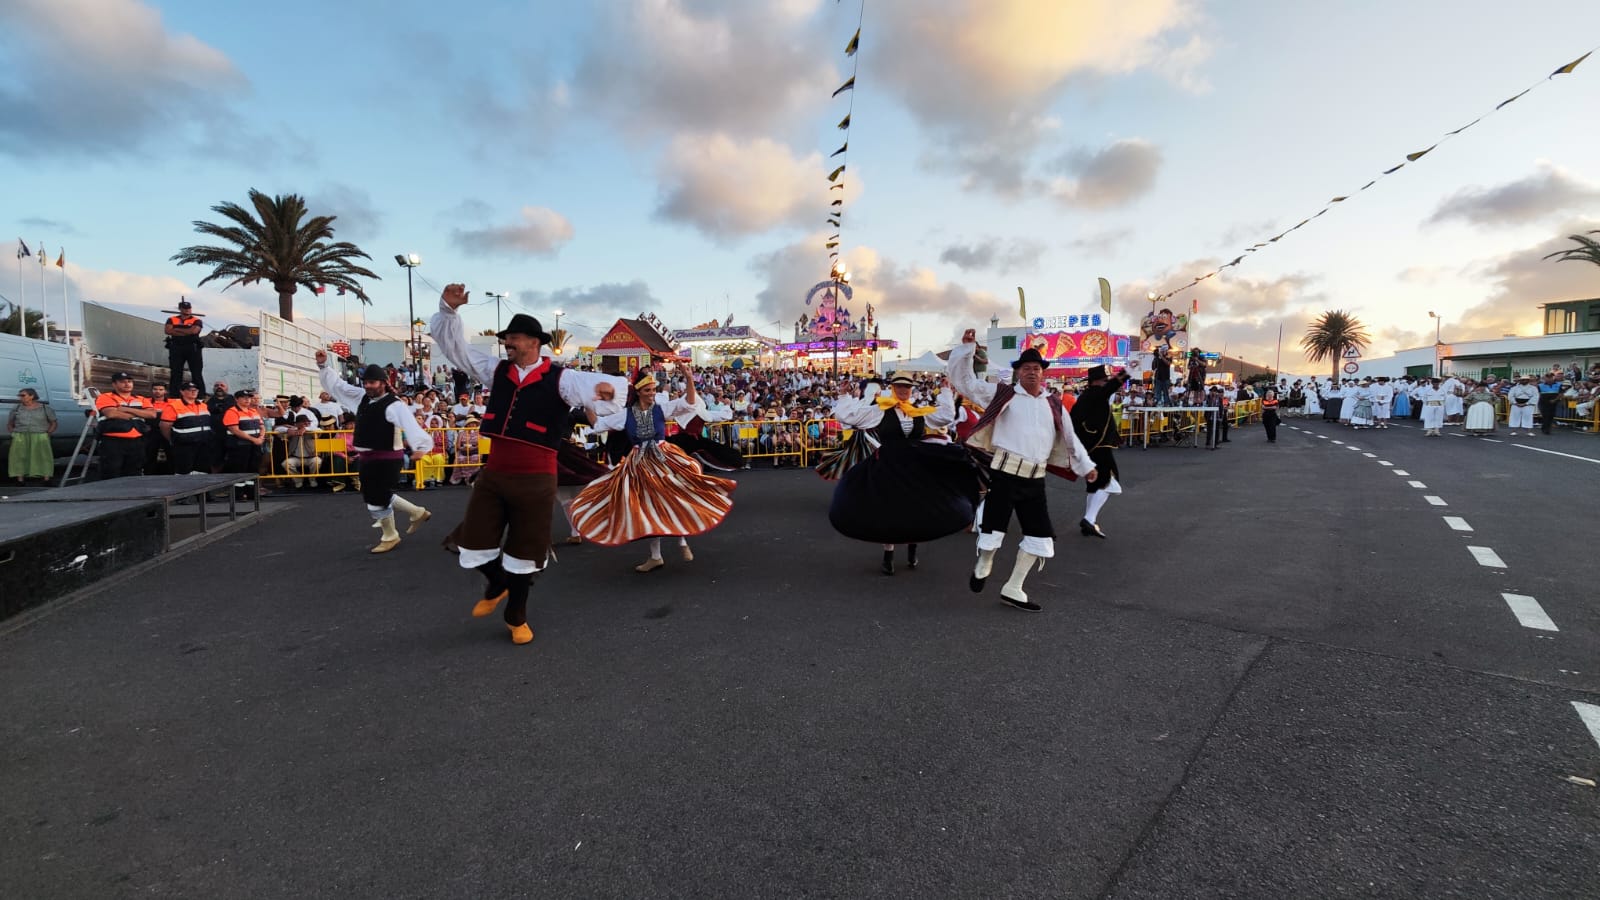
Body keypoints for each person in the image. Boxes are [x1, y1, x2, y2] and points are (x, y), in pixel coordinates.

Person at [429, 285, 629, 645]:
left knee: (525, 549)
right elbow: (458, 351)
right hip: (496, 472)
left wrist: (609, 391)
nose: (508, 343)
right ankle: (497, 583)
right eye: (507, 339)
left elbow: (606, 389)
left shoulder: (562, 379)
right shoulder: (497, 370)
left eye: (514, 338)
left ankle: (516, 615)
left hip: (536, 476)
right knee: (472, 542)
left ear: (534, 342)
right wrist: (448, 310)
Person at [948, 335, 1097, 613]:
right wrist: (967, 350)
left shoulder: (1053, 403)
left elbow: (1071, 438)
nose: (1031, 372)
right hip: (1004, 474)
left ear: (1043, 373)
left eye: (1036, 368)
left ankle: (1014, 587)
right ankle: (984, 563)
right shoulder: (1003, 393)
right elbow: (966, 383)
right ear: (1018, 372)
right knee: (993, 529)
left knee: (1040, 535)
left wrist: (1087, 466)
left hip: (1035, 480)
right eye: (1026, 368)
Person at [577, 368, 737, 572]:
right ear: (638, 393)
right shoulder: (626, 415)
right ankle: (656, 556)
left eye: (653, 389)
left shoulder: (661, 409)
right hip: (640, 464)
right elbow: (598, 424)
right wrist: (587, 402)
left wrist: (689, 379)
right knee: (649, 506)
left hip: (664, 458)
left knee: (676, 494)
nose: (652, 393)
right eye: (648, 390)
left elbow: (689, 403)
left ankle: (682, 538)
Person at [828, 374, 977, 575]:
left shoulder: (918, 410)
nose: (903, 390)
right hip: (889, 465)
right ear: (892, 388)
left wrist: (945, 391)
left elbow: (946, 416)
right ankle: (888, 555)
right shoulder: (881, 410)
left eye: (906, 387)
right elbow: (848, 416)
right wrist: (844, 395)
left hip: (915, 464)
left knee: (916, 506)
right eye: (899, 386)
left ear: (911, 389)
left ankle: (912, 548)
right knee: (890, 508)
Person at [317, 354, 434, 553]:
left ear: (383, 383)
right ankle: (416, 513)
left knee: (377, 495)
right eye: (366, 382)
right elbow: (338, 386)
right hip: (368, 458)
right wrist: (323, 365)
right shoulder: (362, 397)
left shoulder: (394, 404)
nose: (368, 386)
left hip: (387, 458)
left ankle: (390, 535)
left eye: (372, 382)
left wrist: (421, 448)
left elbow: (411, 425)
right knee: (376, 493)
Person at [1071, 363, 1132, 538]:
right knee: (1108, 481)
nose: (1107, 383)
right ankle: (1089, 519)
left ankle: (1089, 521)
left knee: (1094, 483)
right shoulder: (1094, 394)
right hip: (1098, 445)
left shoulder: (1089, 396)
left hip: (1092, 445)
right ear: (1097, 381)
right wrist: (1127, 372)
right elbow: (1110, 387)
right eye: (1105, 380)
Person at [94, 371, 158, 479]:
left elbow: (152, 414)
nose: (127, 384)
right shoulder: (106, 397)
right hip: (113, 442)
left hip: (137, 441)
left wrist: (125, 409)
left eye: (129, 381)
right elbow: (111, 413)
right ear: (114, 384)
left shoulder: (141, 398)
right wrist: (139, 413)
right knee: (111, 473)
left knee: (134, 472)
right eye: (122, 382)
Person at [159, 382, 214, 475]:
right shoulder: (174, 406)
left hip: (203, 445)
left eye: (195, 390)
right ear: (182, 392)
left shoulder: (203, 405)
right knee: (183, 473)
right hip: (184, 446)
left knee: (201, 472)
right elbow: (164, 426)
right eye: (190, 390)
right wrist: (172, 439)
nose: (193, 392)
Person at [220, 390, 266, 498]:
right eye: (244, 397)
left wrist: (260, 437)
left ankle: (251, 492)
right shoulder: (232, 412)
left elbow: (262, 426)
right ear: (236, 399)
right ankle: (238, 493)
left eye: (249, 397)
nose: (247, 399)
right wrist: (254, 439)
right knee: (239, 469)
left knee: (253, 468)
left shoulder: (253, 411)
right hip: (239, 446)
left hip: (254, 446)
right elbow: (235, 430)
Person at [8, 388, 57, 485]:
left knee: (43, 456)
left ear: (32, 396)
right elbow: (10, 423)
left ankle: (46, 479)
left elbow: (54, 423)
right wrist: (13, 433)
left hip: (40, 435)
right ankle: (20, 480)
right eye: (19, 395)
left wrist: (48, 433)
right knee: (19, 457)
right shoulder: (16, 408)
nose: (20, 397)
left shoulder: (44, 408)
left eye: (23, 395)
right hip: (20, 435)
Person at [277, 396, 323, 488]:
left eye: (307, 422)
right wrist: (289, 430)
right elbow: (277, 429)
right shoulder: (293, 427)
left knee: (317, 461)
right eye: (304, 422)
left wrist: (306, 429)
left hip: (311, 457)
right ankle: (298, 480)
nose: (306, 424)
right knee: (286, 463)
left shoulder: (310, 425)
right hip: (296, 458)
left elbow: (318, 429)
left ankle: (312, 479)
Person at [164, 299, 205, 396]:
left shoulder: (196, 320)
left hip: (192, 347)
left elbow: (194, 331)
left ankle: (200, 395)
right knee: (176, 372)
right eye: (185, 308)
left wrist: (176, 329)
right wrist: (187, 331)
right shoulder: (172, 319)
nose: (187, 310)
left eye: (189, 308)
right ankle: (174, 395)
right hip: (176, 347)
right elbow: (168, 331)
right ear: (180, 309)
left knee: (196, 373)